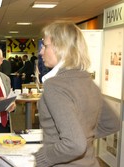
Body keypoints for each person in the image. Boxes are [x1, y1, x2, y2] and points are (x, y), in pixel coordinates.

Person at [34, 21, 120, 167]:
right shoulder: (88, 81)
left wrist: (44, 156)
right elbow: (112, 123)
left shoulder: (55, 85)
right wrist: (86, 137)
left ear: (61, 47)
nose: (41, 51)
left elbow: (75, 144)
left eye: (45, 45)